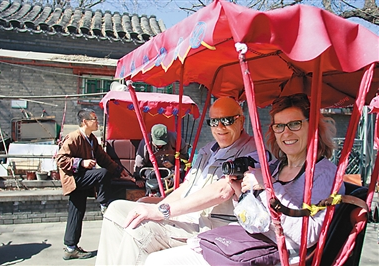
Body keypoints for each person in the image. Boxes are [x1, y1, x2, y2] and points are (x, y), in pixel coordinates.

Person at [144, 93, 346, 265]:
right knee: (154, 256)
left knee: (157, 261)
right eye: (279, 126)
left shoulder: (324, 174)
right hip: (247, 243)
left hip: (279, 256)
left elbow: (307, 235)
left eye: (294, 124)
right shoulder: (276, 167)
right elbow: (255, 222)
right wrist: (241, 194)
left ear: (312, 127)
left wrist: (268, 187)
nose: (286, 133)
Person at [95, 96, 262, 265]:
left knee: (140, 229)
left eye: (226, 120)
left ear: (241, 120)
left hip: (207, 225)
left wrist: (163, 212)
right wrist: (160, 207)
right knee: (115, 210)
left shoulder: (252, 151)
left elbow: (222, 191)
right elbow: (186, 186)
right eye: (213, 121)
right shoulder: (207, 150)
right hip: (183, 215)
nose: (219, 127)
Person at [57, 108, 134, 260]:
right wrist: (81, 162)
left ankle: (70, 248)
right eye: (94, 120)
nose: (97, 122)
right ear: (85, 122)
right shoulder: (73, 137)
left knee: (76, 213)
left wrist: (119, 171)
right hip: (74, 179)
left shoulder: (92, 139)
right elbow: (60, 160)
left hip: (82, 179)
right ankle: (105, 205)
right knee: (102, 174)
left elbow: (103, 158)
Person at [134, 123, 189, 196]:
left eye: (162, 143)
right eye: (157, 143)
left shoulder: (175, 138)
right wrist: (137, 178)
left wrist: (178, 172)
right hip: (151, 168)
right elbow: (139, 160)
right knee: (152, 176)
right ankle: (152, 195)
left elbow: (184, 158)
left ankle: (173, 196)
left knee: (177, 179)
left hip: (171, 168)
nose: (160, 145)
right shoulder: (146, 142)